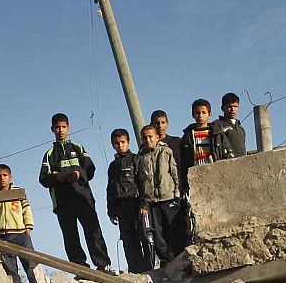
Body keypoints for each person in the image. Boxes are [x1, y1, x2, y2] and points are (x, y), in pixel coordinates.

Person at [38, 112, 111, 271]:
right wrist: (59, 177)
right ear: (52, 129)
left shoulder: (78, 147)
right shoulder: (49, 154)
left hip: (83, 198)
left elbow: (90, 169)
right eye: (57, 127)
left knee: (93, 232)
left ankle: (103, 265)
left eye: (63, 127)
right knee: (71, 236)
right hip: (63, 203)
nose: (61, 130)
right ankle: (80, 267)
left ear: (68, 128)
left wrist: (79, 174)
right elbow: (43, 179)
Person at [0, 164, 48, 283]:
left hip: (20, 233)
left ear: (10, 177)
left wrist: (28, 227)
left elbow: (26, 209)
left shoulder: (18, 191)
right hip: (2, 236)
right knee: (9, 267)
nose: (2, 178)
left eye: (5, 175)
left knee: (31, 261)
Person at [137, 123, 187, 262]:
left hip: (169, 197)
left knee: (174, 231)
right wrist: (144, 202)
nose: (148, 140)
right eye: (144, 138)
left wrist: (177, 194)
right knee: (158, 236)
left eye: (150, 137)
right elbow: (141, 181)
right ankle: (167, 262)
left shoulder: (166, 152)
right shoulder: (141, 157)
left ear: (157, 137)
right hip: (152, 202)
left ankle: (181, 261)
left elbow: (175, 173)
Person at [106, 127, 153, 272]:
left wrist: (144, 204)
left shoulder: (136, 160)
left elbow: (144, 182)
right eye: (116, 143)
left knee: (144, 237)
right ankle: (135, 270)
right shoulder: (113, 166)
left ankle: (150, 268)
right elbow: (110, 189)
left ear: (128, 142)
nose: (120, 146)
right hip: (121, 207)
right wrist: (111, 210)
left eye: (122, 142)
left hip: (136, 203)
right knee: (128, 240)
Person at [179, 98, 216, 195]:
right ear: (193, 115)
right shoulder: (187, 136)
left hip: (213, 172)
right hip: (195, 173)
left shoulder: (216, 133)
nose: (200, 115)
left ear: (209, 114)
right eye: (197, 113)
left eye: (204, 112)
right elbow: (183, 160)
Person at [210, 92, 249, 159]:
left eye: (235, 106)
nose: (233, 109)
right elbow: (216, 150)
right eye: (229, 106)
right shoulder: (217, 125)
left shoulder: (241, 129)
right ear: (222, 108)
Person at [150, 109, 186, 174]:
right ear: (151, 125)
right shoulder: (146, 146)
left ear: (167, 124)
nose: (160, 126)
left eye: (163, 122)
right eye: (157, 123)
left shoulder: (177, 142)